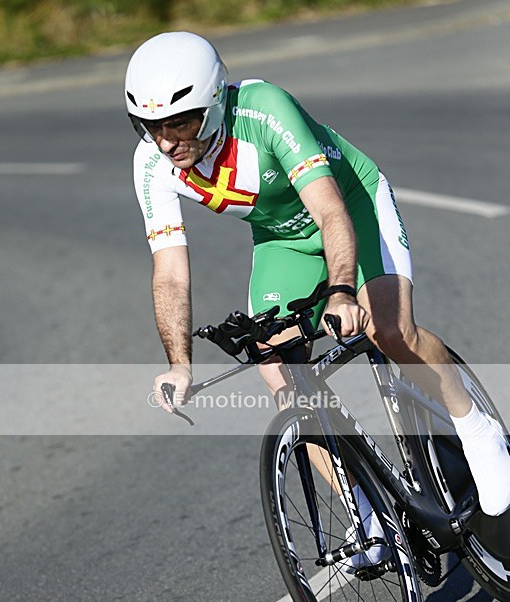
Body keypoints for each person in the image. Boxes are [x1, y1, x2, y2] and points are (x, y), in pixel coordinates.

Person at [125, 31, 510, 559]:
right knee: (277, 367)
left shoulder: (264, 109)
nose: (167, 141)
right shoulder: (152, 165)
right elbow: (169, 271)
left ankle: (477, 429)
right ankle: (366, 516)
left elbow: (331, 211)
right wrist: (179, 363)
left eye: (181, 122)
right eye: (151, 127)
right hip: (283, 240)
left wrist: (342, 291)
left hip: (351, 204)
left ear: (214, 104)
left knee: (390, 330)